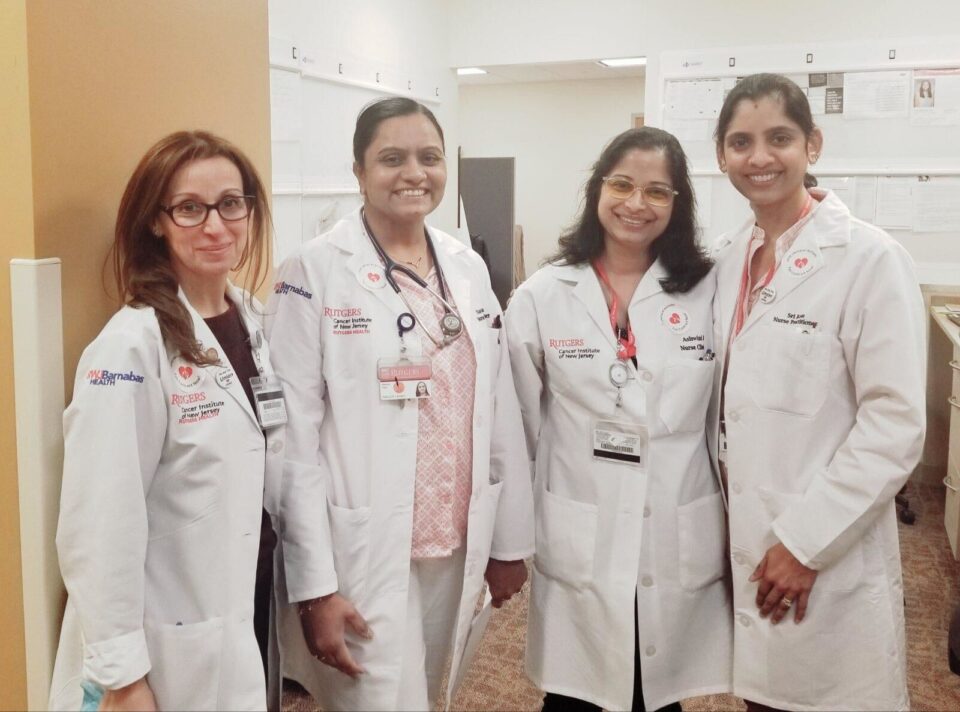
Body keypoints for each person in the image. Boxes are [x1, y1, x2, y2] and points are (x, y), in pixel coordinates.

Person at [266, 97, 535, 711]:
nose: (414, 173)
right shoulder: (312, 270)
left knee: (433, 687)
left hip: (454, 534)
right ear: (359, 171)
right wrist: (314, 586)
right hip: (363, 542)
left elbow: (497, 410)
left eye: (429, 157)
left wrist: (509, 541)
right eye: (392, 158)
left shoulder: (466, 267)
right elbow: (291, 443)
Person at [709, 73, 926, 711]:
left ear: (813, 144)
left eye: (779, 138)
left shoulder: (870, 259)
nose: (760, 157)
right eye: (741, 142)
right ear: (721, 156)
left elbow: (894, 425)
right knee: (763, 698)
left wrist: (806, 543)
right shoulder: (725, 259)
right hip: (744, 542)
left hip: (826, 548)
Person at [48, 131, 284, 711]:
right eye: (190, 208)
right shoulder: (129, 348)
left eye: (231, 203)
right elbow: (99, 524)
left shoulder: (251, 319)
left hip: (246, 600)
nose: (216, 226)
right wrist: (124, 677)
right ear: (156, 221)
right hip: (168, 637)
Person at [505, 127, 732, 712]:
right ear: (597, 189)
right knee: (575, 695)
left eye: (657, 191)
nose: (637, 203)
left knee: (657, 696)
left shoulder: (708, 290)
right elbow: (517, 427)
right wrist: (509, 536)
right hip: (583, 521)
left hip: (673, 520)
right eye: (622, 185)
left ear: (677, 203)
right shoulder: (543, 294)